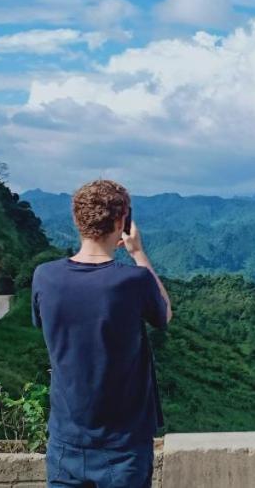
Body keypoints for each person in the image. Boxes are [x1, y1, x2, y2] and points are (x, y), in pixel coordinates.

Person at [32, 179, 172, 487]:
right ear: (123, 221)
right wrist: (137, 253)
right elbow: (164, 314)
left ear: (76, 220)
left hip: (65, 440)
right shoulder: (134, 281)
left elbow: (45, 325)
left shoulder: (44, 277)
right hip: (124, 445)